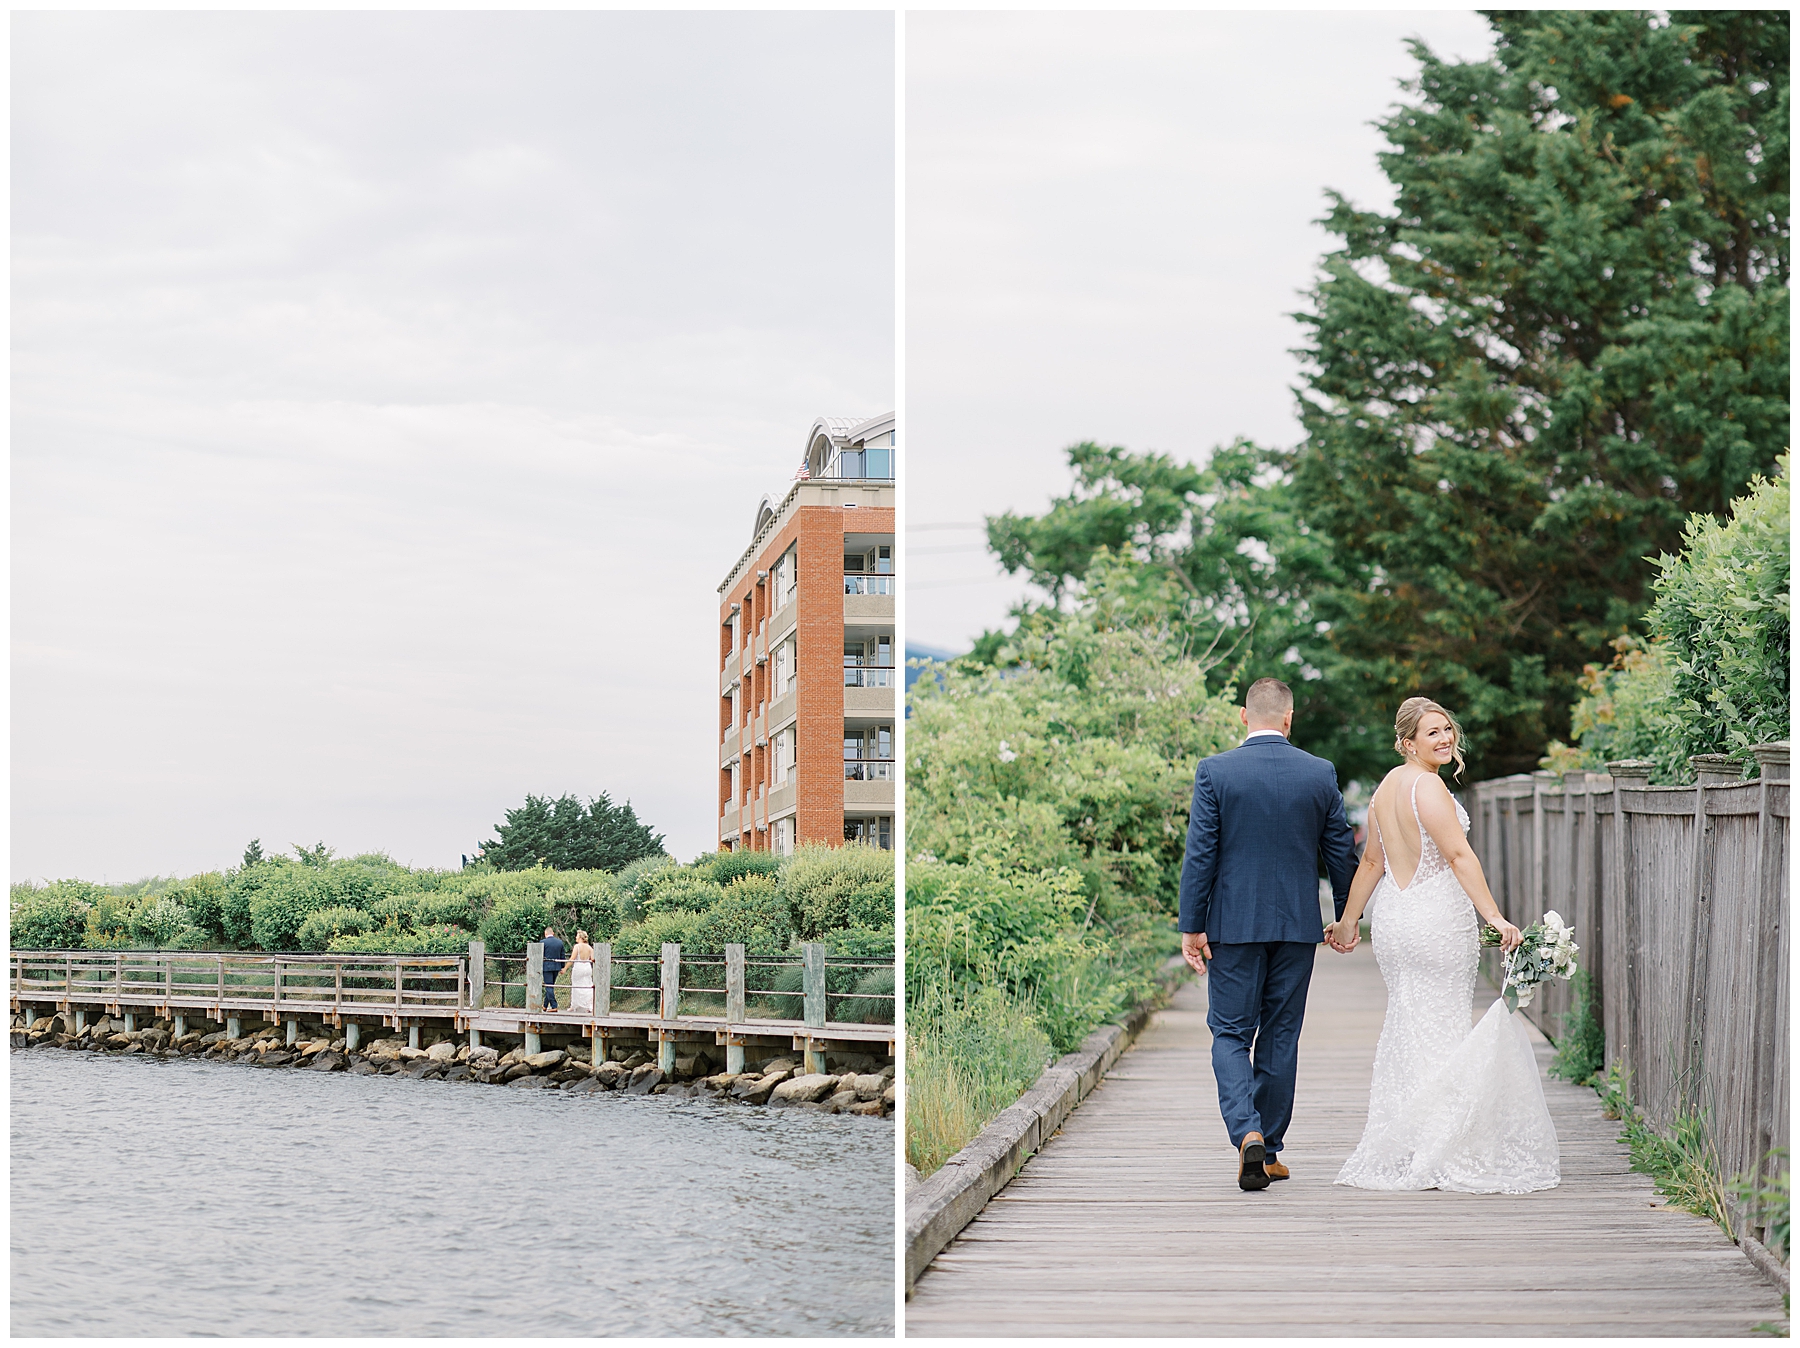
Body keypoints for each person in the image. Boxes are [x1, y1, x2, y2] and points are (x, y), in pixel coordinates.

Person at [1326, 697, 1561, 1193]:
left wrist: (1349, 921)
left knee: (1413, 1025)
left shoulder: (1384, 788)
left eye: (1447, 729)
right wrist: (1494, 917)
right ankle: (1438, 1145)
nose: (1445, 738)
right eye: (1432, 733)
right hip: (1433, 918)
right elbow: (1457, 855)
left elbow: (1372, 864)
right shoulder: (1427, 786)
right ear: (1407, 743)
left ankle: (1417, 1139)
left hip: (1395, 916)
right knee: (1441, 1026)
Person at [1177, 676, 1359, 1192]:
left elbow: (1201, 855)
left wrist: (1193, 925)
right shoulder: (1318, 773)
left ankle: (1246, 1133)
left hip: (1232, 927)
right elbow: (1340, 853)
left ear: (1243, 716)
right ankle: (1269, 1148)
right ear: (1288, 717)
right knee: (1280, 1034)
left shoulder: (1216, 772)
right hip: (1297, 928)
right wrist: (1346, 918)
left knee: (1231, 1033)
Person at [570, 930, 596, 1015]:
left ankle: (575, 1005)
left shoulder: (577, 946)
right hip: (587, 967)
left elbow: (572, 958)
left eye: (577, 936)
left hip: (578, 967)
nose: (576, 937)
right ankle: (589, 1005)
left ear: (580, 937)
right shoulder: (590, 948)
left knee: (576, 985)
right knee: (588, 984)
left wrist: (565, 967)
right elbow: (592, 959)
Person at [541, 926, 567, 1012]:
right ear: (553, 933)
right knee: (550, 986)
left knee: (549, 986)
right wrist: (562, 966)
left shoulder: (542, 942)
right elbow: (562, 955)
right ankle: (544, 1005)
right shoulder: (559, 942)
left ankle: (554, 1006)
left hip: (546, 967)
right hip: (556, 966)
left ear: (545, 934)